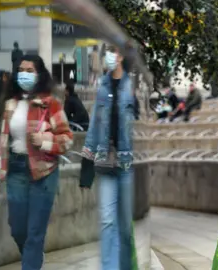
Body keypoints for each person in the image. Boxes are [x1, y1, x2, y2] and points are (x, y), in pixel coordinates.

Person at [0, 54, 73, 269]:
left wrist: (44, 140)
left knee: (35, 232)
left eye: (30, 70)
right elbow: (0, 143)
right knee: (17, 228)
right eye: (21, 70)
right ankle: (34, 258)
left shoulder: (51, 104)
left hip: (44, 172)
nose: (24, 74)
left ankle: (31, 261)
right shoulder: (9, 105)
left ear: (40, 74)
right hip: (15, 169)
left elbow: (67, 139)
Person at [79, 45, 135, 270]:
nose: (109, 57)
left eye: (112, 52)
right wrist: (86, 162)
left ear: (121, 55)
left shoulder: (132, 86)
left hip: (129, 164)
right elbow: (94, 125)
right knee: (106, 220)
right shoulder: (102, 86)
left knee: (124, 226)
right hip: (105, 161)